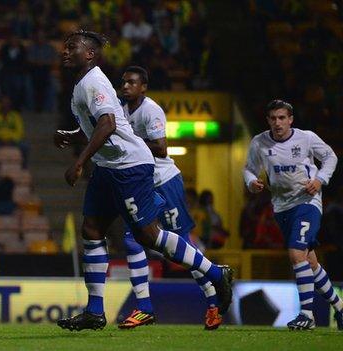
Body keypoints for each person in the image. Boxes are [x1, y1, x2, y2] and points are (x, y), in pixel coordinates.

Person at [54, 30, 232, 331]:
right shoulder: (81, 83)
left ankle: (216, 273)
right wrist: (74, 135)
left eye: (72, 47)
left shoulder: (94, 81)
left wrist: (80, 161)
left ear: (90, 54)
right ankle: (95, 311)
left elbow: (109, 124)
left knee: (148, 236)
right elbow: (104, 123)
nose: (65, 51)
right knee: (92, 229)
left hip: (129, 166)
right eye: (65, 46)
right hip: (108, 166)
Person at [118, 66, 222, 330]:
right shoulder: (120, 108)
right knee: (132, 240)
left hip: (165, 182)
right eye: (123, 82)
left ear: (143, 87)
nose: (126, 86)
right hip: (144, 186)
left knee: (182, 250)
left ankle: (213, 302)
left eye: (132, 83)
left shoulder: (151, 110)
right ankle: (144, 307)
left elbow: (162, 149)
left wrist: (129, 141)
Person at [243, 99, 343, 331]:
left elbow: (331, 157)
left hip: (307, 202)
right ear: (268, 120)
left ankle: (306, 315)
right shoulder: (259, 142)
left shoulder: (306, 138)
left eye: (282, 118)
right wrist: (251, 182)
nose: (277, 123)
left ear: (290, 120)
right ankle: (340, 308)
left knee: (296, 253)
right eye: (273, 118)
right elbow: (248, 168)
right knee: (310, 262)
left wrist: (320, 180)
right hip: (281, 206)